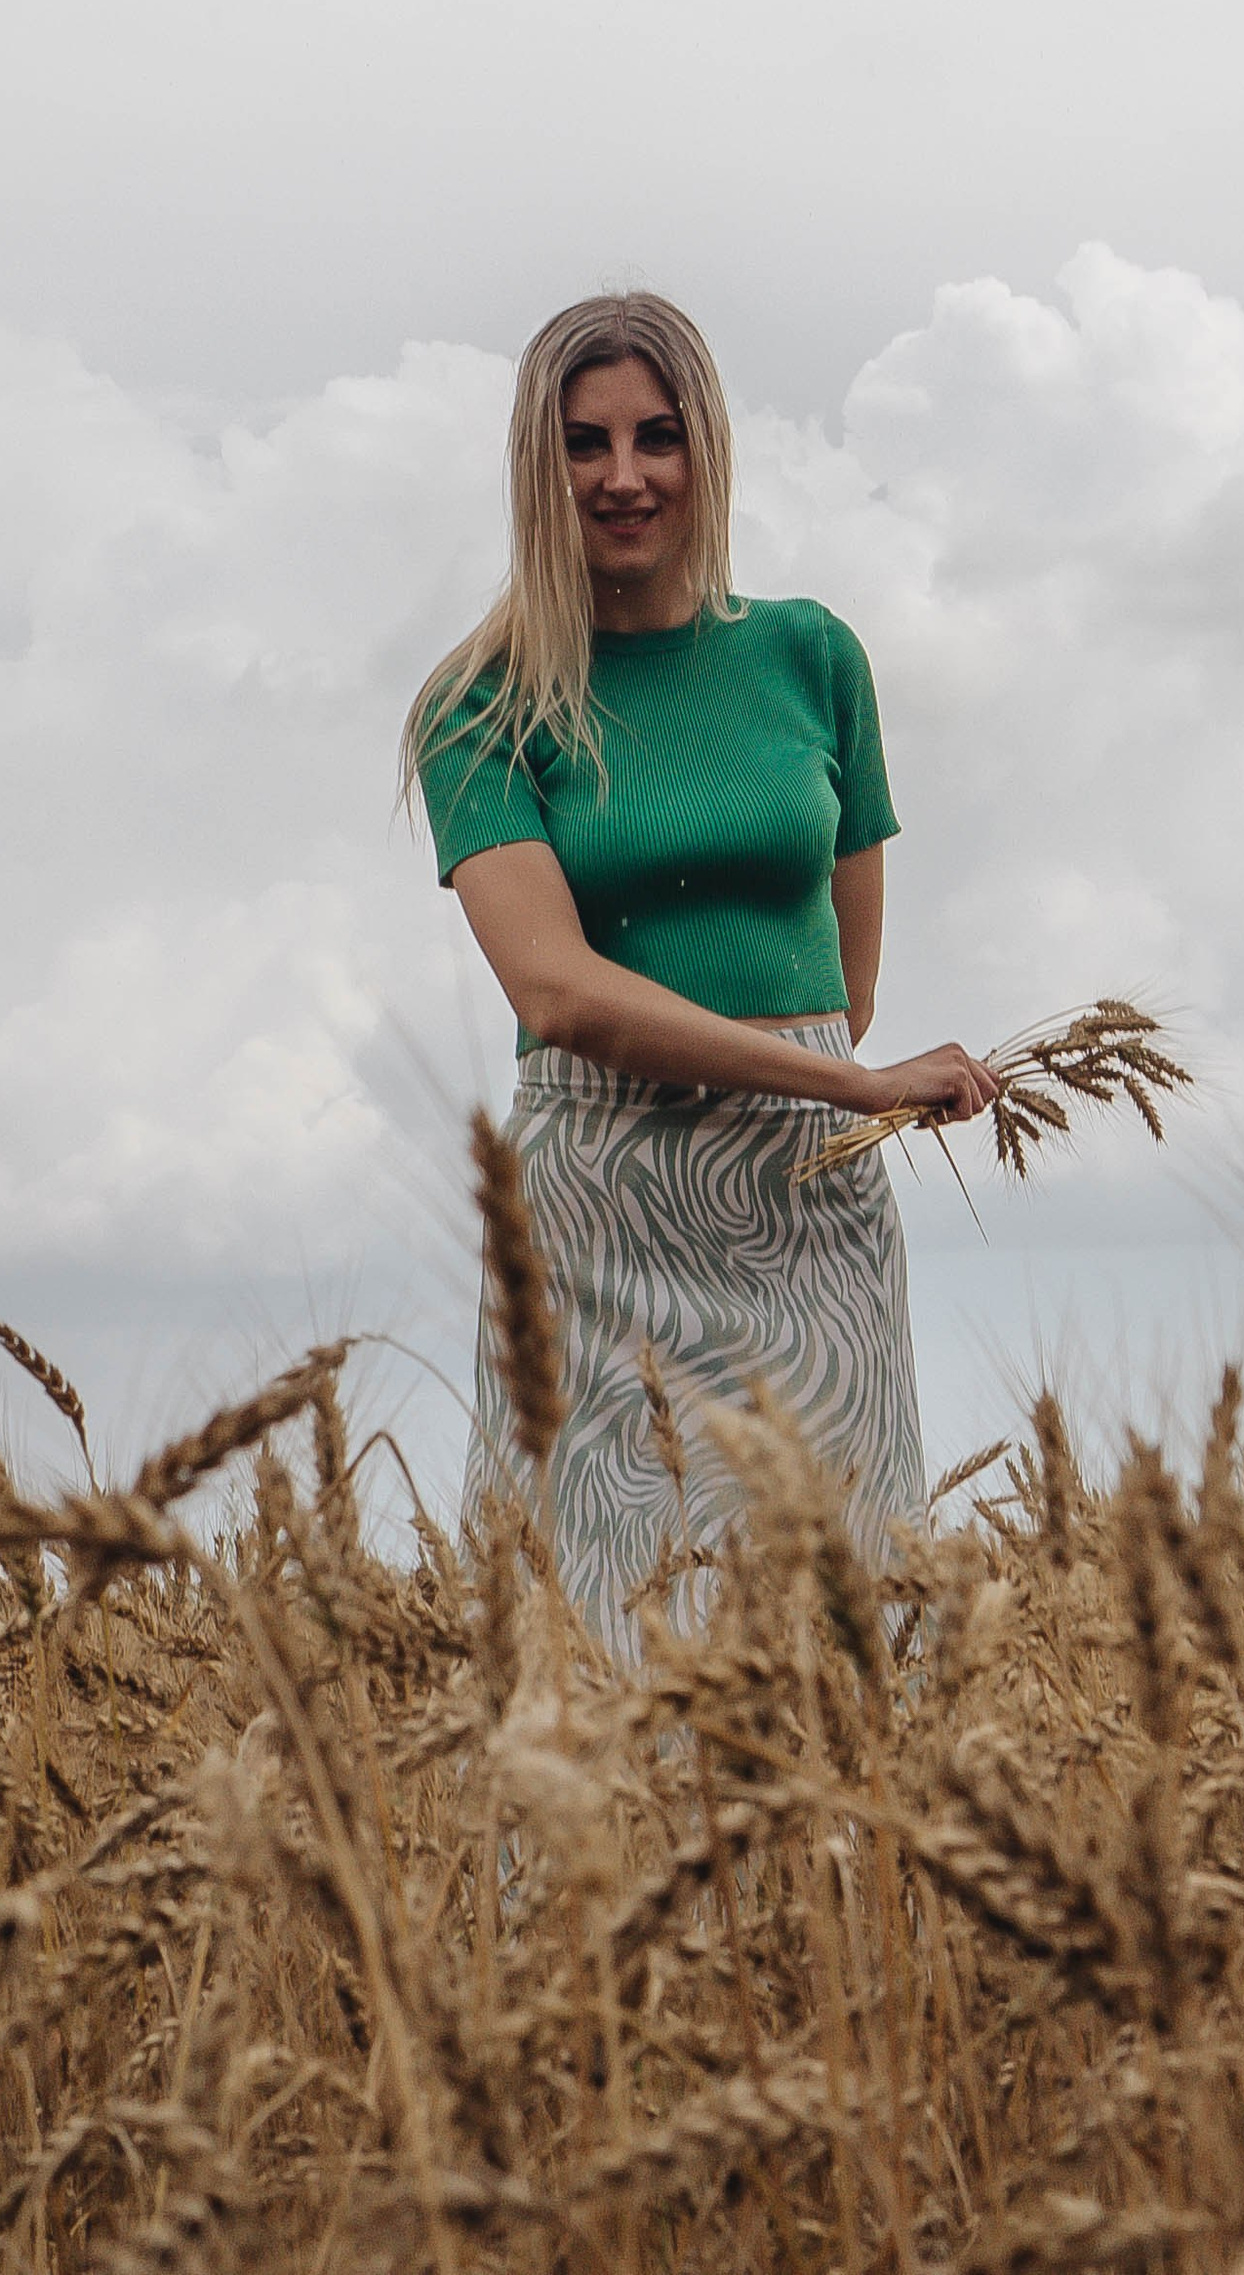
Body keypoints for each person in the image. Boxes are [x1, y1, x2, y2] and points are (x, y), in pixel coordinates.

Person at [402, 290, 1003, 1651]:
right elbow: (556, 993)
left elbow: (837, 977)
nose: (622, 478)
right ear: (535, 467)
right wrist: (846, 1086)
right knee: (601, 1643)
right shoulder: (481, 701)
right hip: (598, 1215)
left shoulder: (812, 657)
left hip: (807, 1208)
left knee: (845, 1632)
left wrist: (828, 1084)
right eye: (583, 443)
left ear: (707, 450)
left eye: (657, 437)